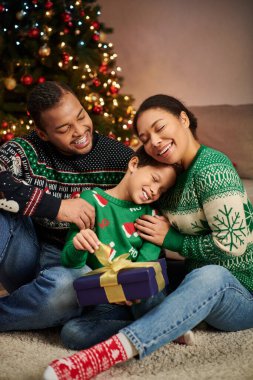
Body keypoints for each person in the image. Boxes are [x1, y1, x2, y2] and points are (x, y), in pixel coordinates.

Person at [43, 94, 253, 380]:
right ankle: (170, 324)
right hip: (194, 270)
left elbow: (233, 244)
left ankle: (116, 350)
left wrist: (173, 241)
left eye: (160, 127)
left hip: (241, 290)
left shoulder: (213, 169)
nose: (154, 140)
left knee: (209, 275)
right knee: (146, 279)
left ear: (183, 119)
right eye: (145, 136)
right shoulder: (173, 176)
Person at [0, 80, 133, 331]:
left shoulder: (119, 159)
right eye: (64, 128)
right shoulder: (26, 151)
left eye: (81, 116)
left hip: (72, 268)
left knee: (70, 286)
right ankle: (36, 309)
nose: (80, 131)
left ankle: (24, 311)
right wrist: (57, 207)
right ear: (43, 134)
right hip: (26, 256)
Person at [58, 145, 193, 350]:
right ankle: (159, 327)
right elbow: (69, 261)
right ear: (134, 164)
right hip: (107, 299)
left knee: (152, 286)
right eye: (155, 180)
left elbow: (146, 260)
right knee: (72, 334)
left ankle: (158, 323)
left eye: (162, 190)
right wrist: (79, 245)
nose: (154, 191)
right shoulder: (90, 201)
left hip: (142, 291)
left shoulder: (152, 217)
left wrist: (130, 285)